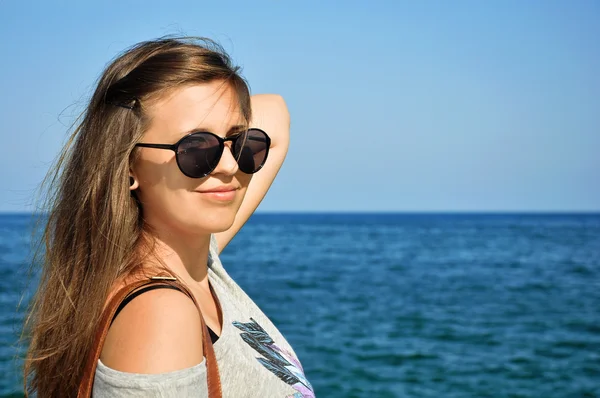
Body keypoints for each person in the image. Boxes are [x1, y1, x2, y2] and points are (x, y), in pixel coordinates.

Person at [22, 36, 315, 397]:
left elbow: (276, 112)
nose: (228, 166)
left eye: (240, 141)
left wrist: (200, 111)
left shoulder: (198, 260)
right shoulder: (161, 315)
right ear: (128, 163)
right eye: (195, 148)